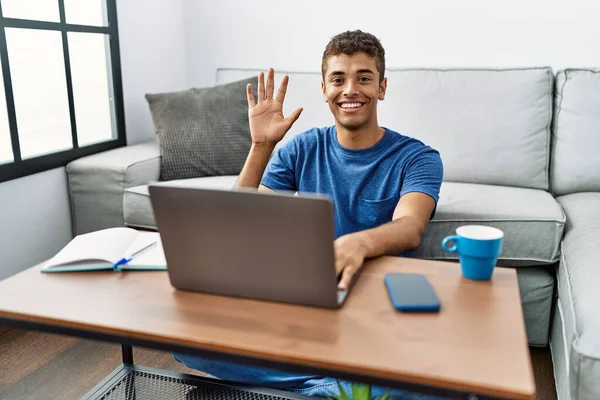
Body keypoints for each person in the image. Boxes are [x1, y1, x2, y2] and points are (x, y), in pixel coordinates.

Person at [175, 30, 444, 399]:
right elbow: (242, 220)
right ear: (324, 89)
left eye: (363, 78)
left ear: (382, 88)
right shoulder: (302, 147)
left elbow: (411, 227)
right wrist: (261, 147)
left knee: (438, 387)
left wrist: (356, 244)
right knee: (185, 341)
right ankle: (332, 387)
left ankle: (311, 384)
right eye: (338, 79)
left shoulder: (418, 158)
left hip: (374, 308)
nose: (350, 89)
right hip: (307, 306)